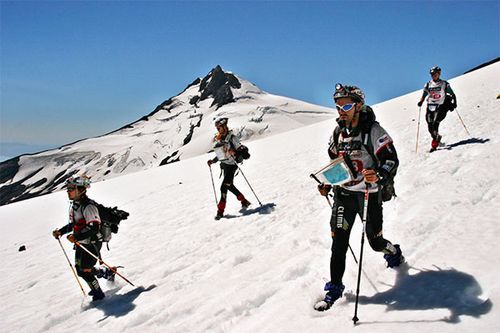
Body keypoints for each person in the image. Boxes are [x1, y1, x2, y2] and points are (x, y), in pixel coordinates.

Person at [314, 84, 404, 311]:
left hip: (368, 196)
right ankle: (334, 287)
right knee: (339, 243)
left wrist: (380, 175)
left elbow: (391, 161)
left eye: (346, 105)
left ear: (359, 105)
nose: (341, 110)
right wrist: (327, 182)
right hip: (344, 195)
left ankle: (392, 251)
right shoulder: (338, 133)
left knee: (374, 242)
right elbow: (336, 164)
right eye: (338, 105)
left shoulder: (374, 131)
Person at [52, 175, 115, 301]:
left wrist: (76, 236)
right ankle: (106, 273)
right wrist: (61, 232)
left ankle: (98, 293)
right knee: (81, 270)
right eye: (68, 189)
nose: (68, 191)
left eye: (71, 189)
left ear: (80, 190)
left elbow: (94, 228)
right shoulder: (76, 205)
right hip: (82, 242)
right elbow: (75, 224)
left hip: (92, 243)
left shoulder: (89, 207)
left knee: (85, 271)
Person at [207, 117, 251, 220]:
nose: (218, 129)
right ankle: (244, 201)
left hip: (232, 166)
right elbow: (221, 154)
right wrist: (213, 161)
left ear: (224, 126)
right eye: (217, 128)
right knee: (230, 185)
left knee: (223, 187)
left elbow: (244, 154)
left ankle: (220, 211)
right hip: (225, 165)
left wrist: (234, 152)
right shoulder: (220, 138)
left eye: (219, 127)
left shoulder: (232, 138)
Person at [417, 66, 457, 152]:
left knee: (435, 124)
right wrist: (421, 101)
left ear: (439, 74)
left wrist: (454, 103)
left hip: (440, 106)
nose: (433, 76)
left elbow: (452, 94)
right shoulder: (428, 84)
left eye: (435, 74)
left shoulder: (444, 84)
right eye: (432, 74)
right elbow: (424, 94)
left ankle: (434, 145)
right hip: (430, 106)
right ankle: (437, 138)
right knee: (430, 127)